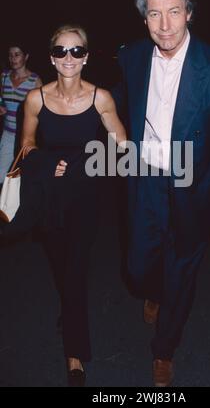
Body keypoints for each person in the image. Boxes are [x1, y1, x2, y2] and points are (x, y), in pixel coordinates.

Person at [112, 0, 210, 387]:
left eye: (174, 12)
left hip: (196, 188)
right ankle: (153, 288)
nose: (165, 25)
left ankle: (164, 350)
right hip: (144, 181)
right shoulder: (131, 57)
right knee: (137, 267)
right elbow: (112, 108)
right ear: (145, 18)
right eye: (155, 13)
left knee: (183, 274)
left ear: (189, 13)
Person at [0, 24, 126, 386]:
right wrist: (45, 161)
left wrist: (85, 162)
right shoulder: (36, 98)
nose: (68, 58)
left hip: (85, 197)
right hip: (49, 196)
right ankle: (69, 306)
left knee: (75, 270)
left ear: (85, 57)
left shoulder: (101, 98)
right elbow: (25, 145)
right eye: (60, 51)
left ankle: (76, 353)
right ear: (52, 58)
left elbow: (121, 147)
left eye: (75, 51)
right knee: (59, 264)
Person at [0, 43, 42, 185]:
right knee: (1, 175)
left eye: (17, 54)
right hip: (8, 134)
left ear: (26, 57)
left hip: (26, 137)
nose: (13, 58)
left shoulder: (34, 80)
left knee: (22, 177)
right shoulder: (4, 76)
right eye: (10, 55)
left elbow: (43, 110)